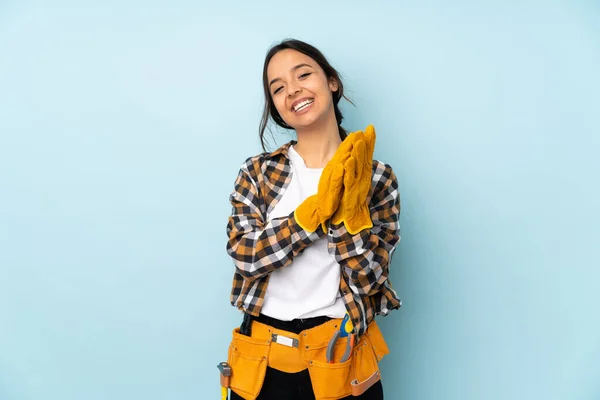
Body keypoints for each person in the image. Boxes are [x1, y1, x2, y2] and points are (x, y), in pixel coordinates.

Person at [222, 38, 402, 400]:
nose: (293, 90)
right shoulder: (258, 172)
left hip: (342, 354)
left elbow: (369, 281)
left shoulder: (376, 178)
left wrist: (349, 218)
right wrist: (307, 219)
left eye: (303, 74)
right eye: (278, 88)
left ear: (331, 81)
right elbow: (245, 256)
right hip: (263, 360)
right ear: (276, 108)